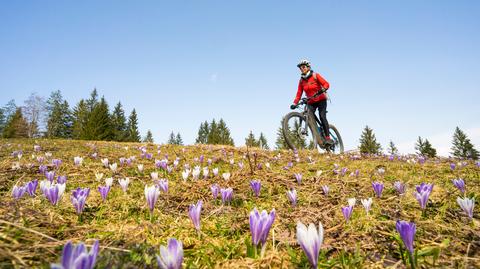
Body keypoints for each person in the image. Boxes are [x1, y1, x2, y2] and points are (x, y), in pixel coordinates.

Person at [290, 59, 333, 144]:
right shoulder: (301, 80)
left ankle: (328, 138)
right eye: (300, 68)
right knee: (309, 116)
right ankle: (317, 137)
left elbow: (326, 83)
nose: (302, 69)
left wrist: (323, 89)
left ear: (308, 67)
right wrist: (295, 103)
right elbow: (299, 92)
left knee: (322, 116)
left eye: (303, 67)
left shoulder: (315, 75)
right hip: (311, 101)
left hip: (321, 99)